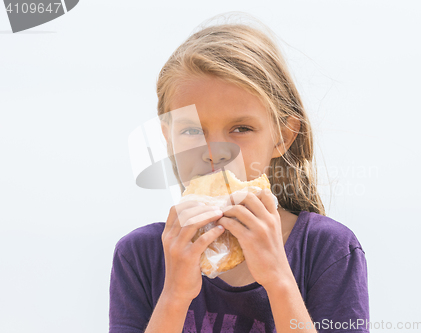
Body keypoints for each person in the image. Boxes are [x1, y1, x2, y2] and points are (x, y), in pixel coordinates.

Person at [109, 15, 369, 333]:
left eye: (241, 128)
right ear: (168, 139)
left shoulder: (329, 250)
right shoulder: (140, 256)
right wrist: (175, 296)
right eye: (191, 130)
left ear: (282, 137)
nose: (215, 150)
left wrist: (278, 280)